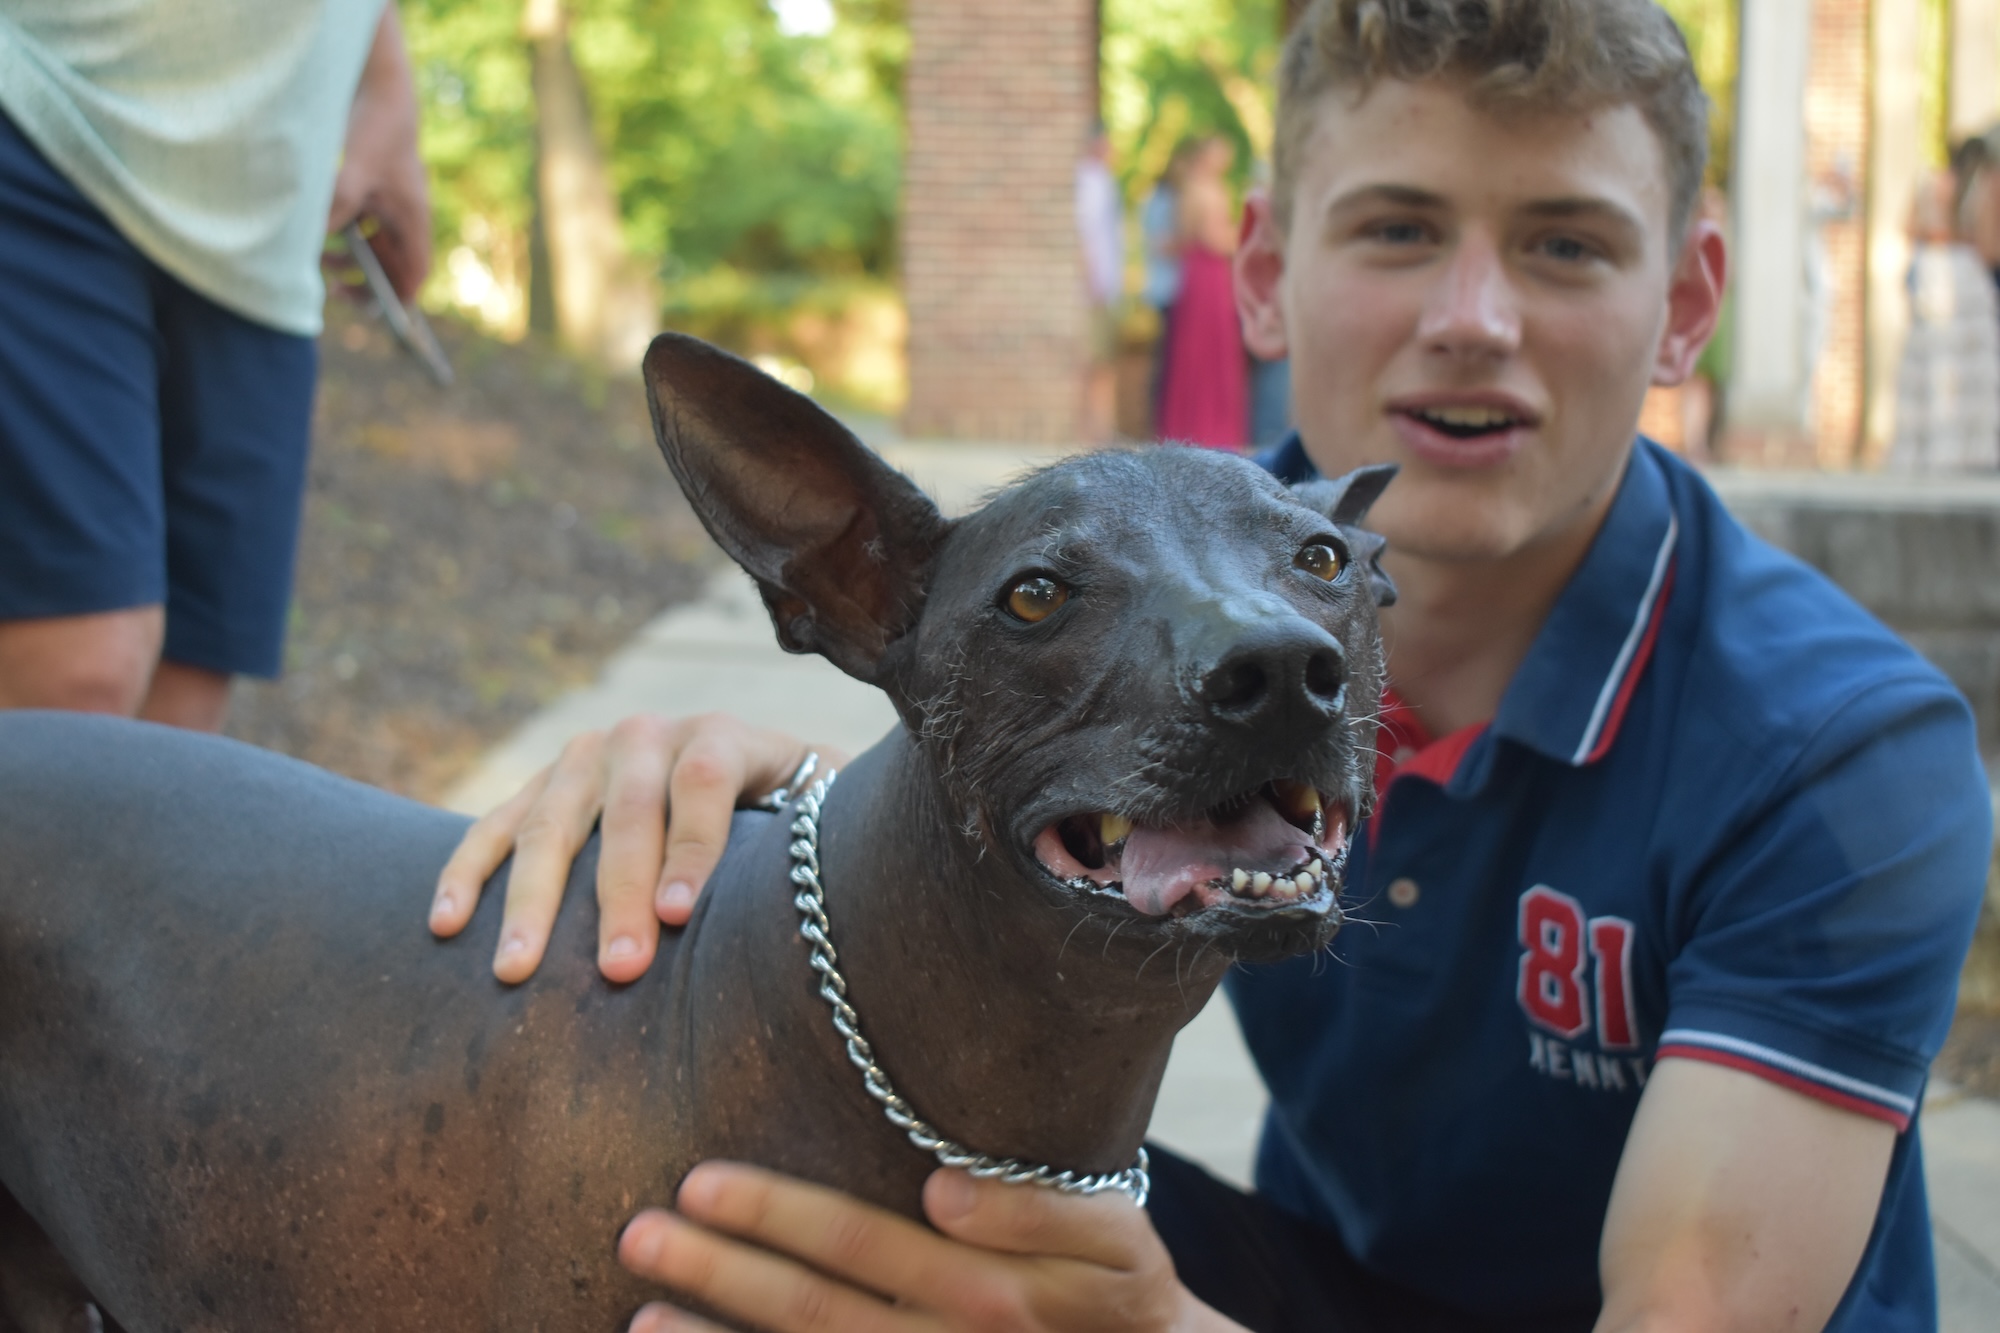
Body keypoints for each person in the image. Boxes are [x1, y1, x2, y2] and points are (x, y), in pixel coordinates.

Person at [433, 2, 1993, 1329]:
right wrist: (766, 793)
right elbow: (991, 711)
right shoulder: (1171, 578)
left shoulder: (1840, 755)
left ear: (1689, 304)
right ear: (1258, 269)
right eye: (1397, 228)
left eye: (1568, 244)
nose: (1472, 320)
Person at [0, 0, 431, 732]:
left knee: (182, 724)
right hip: (39, 109)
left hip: (269, 213)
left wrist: (386, 81)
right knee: (78, 684)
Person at [1887, 154, 2000, 472]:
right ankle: (1956, 452)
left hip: (1930, 272)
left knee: (1933, 370)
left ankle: (1927, 450)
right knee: (1955, 371)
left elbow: (1908, 227)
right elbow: (1990, 247)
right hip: (1960, 277)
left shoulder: (1929, 183)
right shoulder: (1984, 188)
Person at [1155, 134, 1248, 450]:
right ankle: (1205, 427)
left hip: (1204, 274)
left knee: (1208, 349)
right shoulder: (1203, 190)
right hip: (1207, 274)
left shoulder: (1198, 189)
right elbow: (1211, 239)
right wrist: (1244, 240)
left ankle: (1202, 425)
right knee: (1202, 350)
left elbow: (1183, 237)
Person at [1075, 122, 1125, 444]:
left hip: (1106, 282)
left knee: (1103, 359)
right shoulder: (1091, 181)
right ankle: (1095, 430)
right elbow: (1087, 232)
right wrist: (1093, 279)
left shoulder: (1102, 180)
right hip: (1097, 285)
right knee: (1097, 360)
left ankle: (1101, 427)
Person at [1140, 140, 1193, 430]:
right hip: (1165, 286)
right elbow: (1157, 243)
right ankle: (1156, 422)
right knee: (1164, 358)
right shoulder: (1160, 199)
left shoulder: (1167, 197)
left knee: (1169, 357)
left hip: (1171, 285)